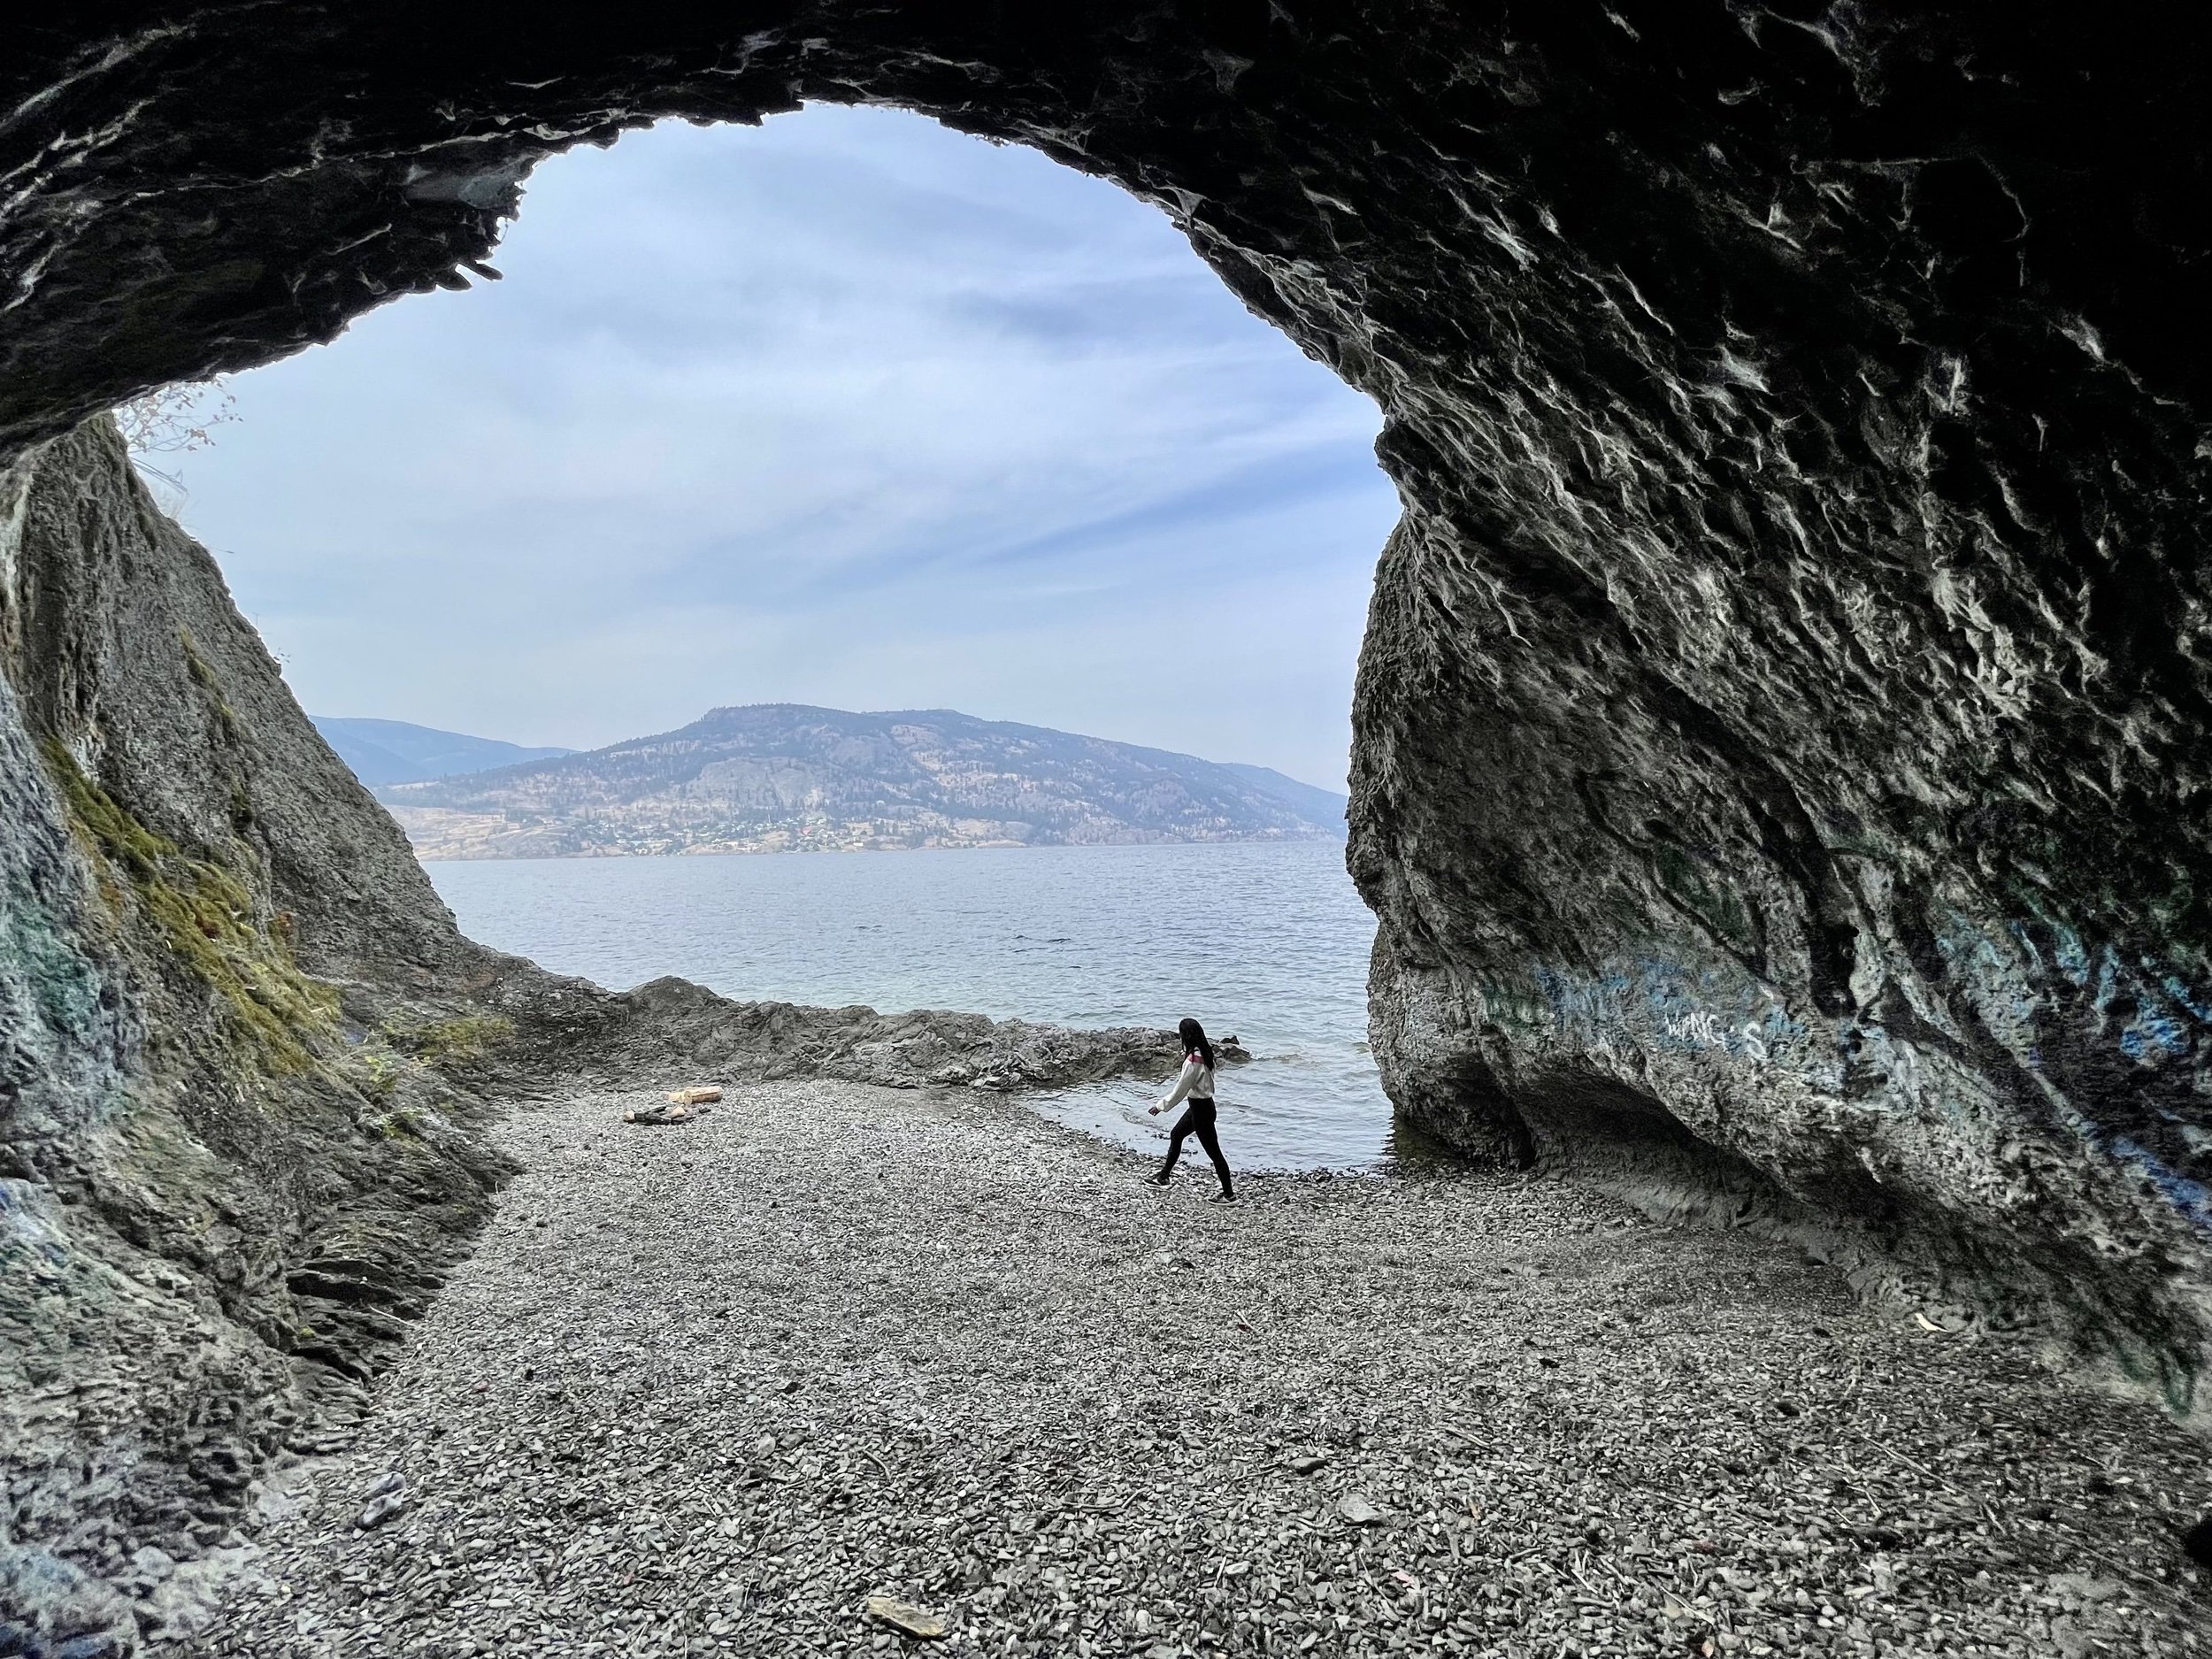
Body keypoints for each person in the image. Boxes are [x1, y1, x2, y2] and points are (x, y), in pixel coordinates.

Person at [1148, 1017, 1234, 1202]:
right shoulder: (1205, 1052)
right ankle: (1163, 1177)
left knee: (1214, 1153)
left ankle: (1229, 1195)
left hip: (1201, 1110)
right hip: (1201, 1107)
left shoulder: (1194, 1061)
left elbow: (1180, 1090)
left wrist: (1160, 1106)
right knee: (1176, 1135)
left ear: (1185, 1036)